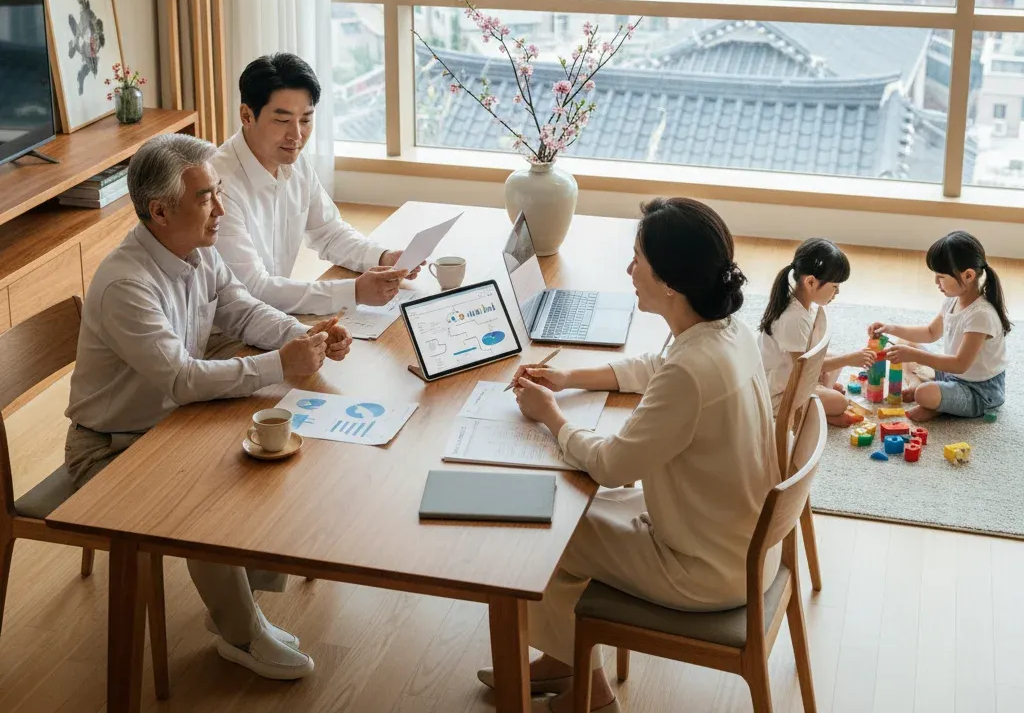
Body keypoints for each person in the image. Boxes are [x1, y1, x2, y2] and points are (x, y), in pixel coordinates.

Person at [65, 133, 353, 680]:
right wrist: (280, 364)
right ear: (160, 210)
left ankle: (247, 602)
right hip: (109, 449)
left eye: (219, 192)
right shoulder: (126, 284)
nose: (221, 208)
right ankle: (238, 631)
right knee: (208, 500)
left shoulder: (196, 250)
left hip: (168, 425)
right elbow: (183, 379)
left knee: (276, 448)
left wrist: (303, 337)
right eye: (206, 197)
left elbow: (242, 312)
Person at [477, 197, 780, 713]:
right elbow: (656, 368)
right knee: (566, 512)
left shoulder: (691, 371)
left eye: (637, 258)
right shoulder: (728, 334)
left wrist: (552, 415)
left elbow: (614, 467)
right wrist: (571, 378)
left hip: (702, 567)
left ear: (669, 283)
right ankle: (565, 658)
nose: (629, 268)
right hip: (740, 544)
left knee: (544, 529)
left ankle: (591, 692)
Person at [211, 53, 420, 318]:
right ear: (246, 115)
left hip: (273, 316)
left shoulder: (292, 161)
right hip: (228, 331)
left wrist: (383, 257)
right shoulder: (218, 186)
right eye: (282, 120)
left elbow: (328, 232)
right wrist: (353, 292)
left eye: (306, 119)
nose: (296, 135)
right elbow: (253, 289)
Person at [871, 230, 1011, 423]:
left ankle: (937, 404)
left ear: (968, 275)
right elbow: (930, 333)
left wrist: (914, 356)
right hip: (950, 374)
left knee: (924, 393)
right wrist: (890, 328)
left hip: (979, 390)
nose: (936, 282)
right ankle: (919, 387)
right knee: (904, 342)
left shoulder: (981, 315)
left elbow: (960, 365)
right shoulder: (952, 300)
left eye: (941, 277)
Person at [758, 238, 874, 425]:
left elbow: (808, 357)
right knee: (840, 402)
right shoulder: (792, 319)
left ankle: (819, 395)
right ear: (810, 282)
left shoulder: (805, 306)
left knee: (835, 359)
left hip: (793, 375)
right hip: (778, 395)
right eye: (834, 286)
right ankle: (809, 413)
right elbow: (802, 369)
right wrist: (850, 359)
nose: (837, 293)